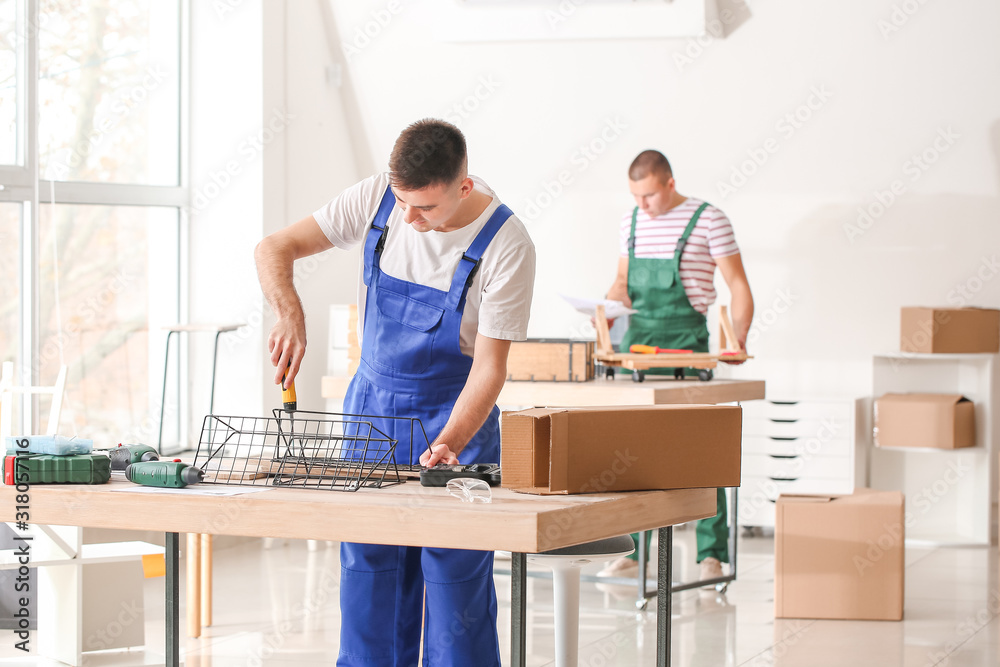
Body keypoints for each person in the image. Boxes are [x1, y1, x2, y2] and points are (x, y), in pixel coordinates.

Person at [254, 119, 535, 666]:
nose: (408, 218)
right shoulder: (379, 198)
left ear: (464, 185)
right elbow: (273, 247)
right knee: (370, 575)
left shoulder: (507, 244)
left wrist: (451, 439)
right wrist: (290, 313)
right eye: (402, 202)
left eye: (425, 208)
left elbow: (490, 368)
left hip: (455, 417)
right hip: (371, 414)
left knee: (455, 583)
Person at [598, 149, 753, 586]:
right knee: (633, 453)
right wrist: (606, 310)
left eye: (648, 195)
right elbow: (621, 285)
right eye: (635, 196)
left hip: (688, 344)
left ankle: (712, 554)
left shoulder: (709, 219)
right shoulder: (630, 222)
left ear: (668, 183)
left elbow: (738, 284)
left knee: (702, 452)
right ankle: (632, 548)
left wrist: (738, 339)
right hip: (637, 347)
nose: (642, 206)